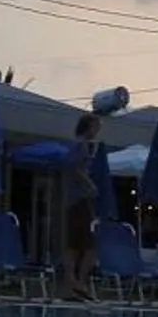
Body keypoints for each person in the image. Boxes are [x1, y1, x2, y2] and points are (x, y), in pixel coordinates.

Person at [58, 113, 103, 296]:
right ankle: (78, 282)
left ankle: (74, 282)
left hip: (75, 201)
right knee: (88, 247)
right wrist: (89, 184)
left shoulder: (79, 145)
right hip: (79, 201)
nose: (97, 131)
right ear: (88, 126)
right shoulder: (81, 146)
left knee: (75, 245)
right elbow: (74, 167)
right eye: (96, 127)